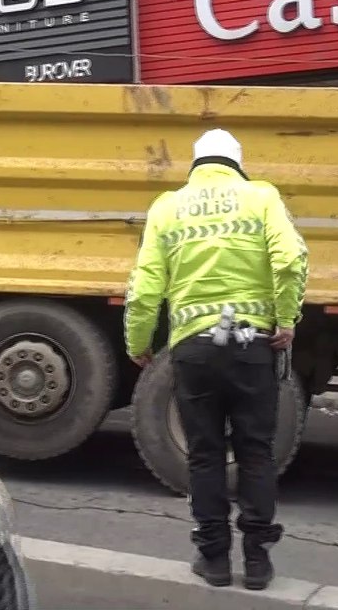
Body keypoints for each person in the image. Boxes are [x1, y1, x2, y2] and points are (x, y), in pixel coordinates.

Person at [123, 128, 308, 591]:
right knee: (255, 452)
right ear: (237, 164)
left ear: (196, 165)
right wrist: (286, 318)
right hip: (251, 347)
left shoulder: (167, 207)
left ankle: (214, 560)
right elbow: (291, 259)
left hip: (194, 349)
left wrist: (137, 341)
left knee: (204, 455)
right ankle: (259, 563)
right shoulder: (261, 197)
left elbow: (145, 286)